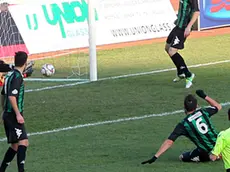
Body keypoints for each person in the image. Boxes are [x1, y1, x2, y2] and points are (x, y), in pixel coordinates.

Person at [141, 90, 222, 164]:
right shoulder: (203, 112)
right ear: (197, 105)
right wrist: (205, 96)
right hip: (220, 143)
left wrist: (155, 156)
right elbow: (218, 106)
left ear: (184, 107)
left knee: (182, 157)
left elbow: (169, 142)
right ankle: (220, 152)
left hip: (207, 151)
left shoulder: (184, 124)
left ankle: (214, 156)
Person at [0, 51, 29, 172]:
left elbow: (3, 94)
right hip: (13, 114)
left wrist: (3, 111)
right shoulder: (17, 77)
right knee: (24, 142)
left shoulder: (9, 75)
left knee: (15, 145)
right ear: (25, 63)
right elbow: (11, 96)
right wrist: (18, 114)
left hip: (7, 113)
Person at [165, 0, 200, 88]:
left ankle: (188, 75)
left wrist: (188, 27)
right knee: (167, 47)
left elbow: (196, 12)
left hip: (184, 28)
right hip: (178, 25)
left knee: (172, 51)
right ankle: (180, 72)